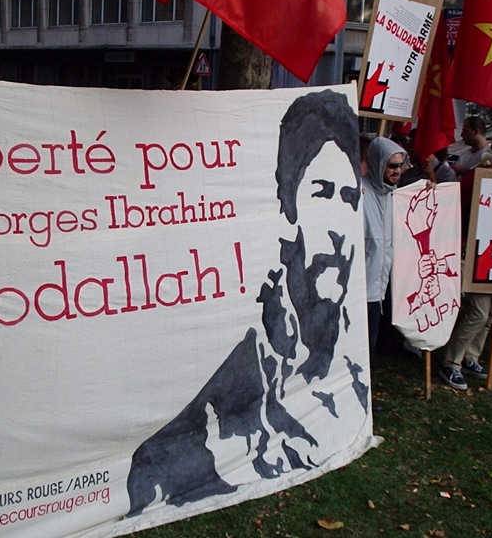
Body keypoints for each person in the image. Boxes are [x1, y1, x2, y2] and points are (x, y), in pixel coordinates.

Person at [127, 90, 370, 516]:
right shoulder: (256, 349)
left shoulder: (349, 341)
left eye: (350, 197)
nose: (337, 226)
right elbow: (153, 465)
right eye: (322, 193)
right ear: (289, 206)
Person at [439, 127, 492, 390]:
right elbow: (458, 208)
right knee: (477, 310)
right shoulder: (478, 176)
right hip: (475, 250)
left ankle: (471, 356)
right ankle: (451, 362)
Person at [363, 137, 407, 358]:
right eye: (392, 165)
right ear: (378, 163)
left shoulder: (397, 196)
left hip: (384, 286)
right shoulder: (359, 192)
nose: (397, 171)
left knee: (374, 346)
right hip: (363, 287)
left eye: (400, 165)